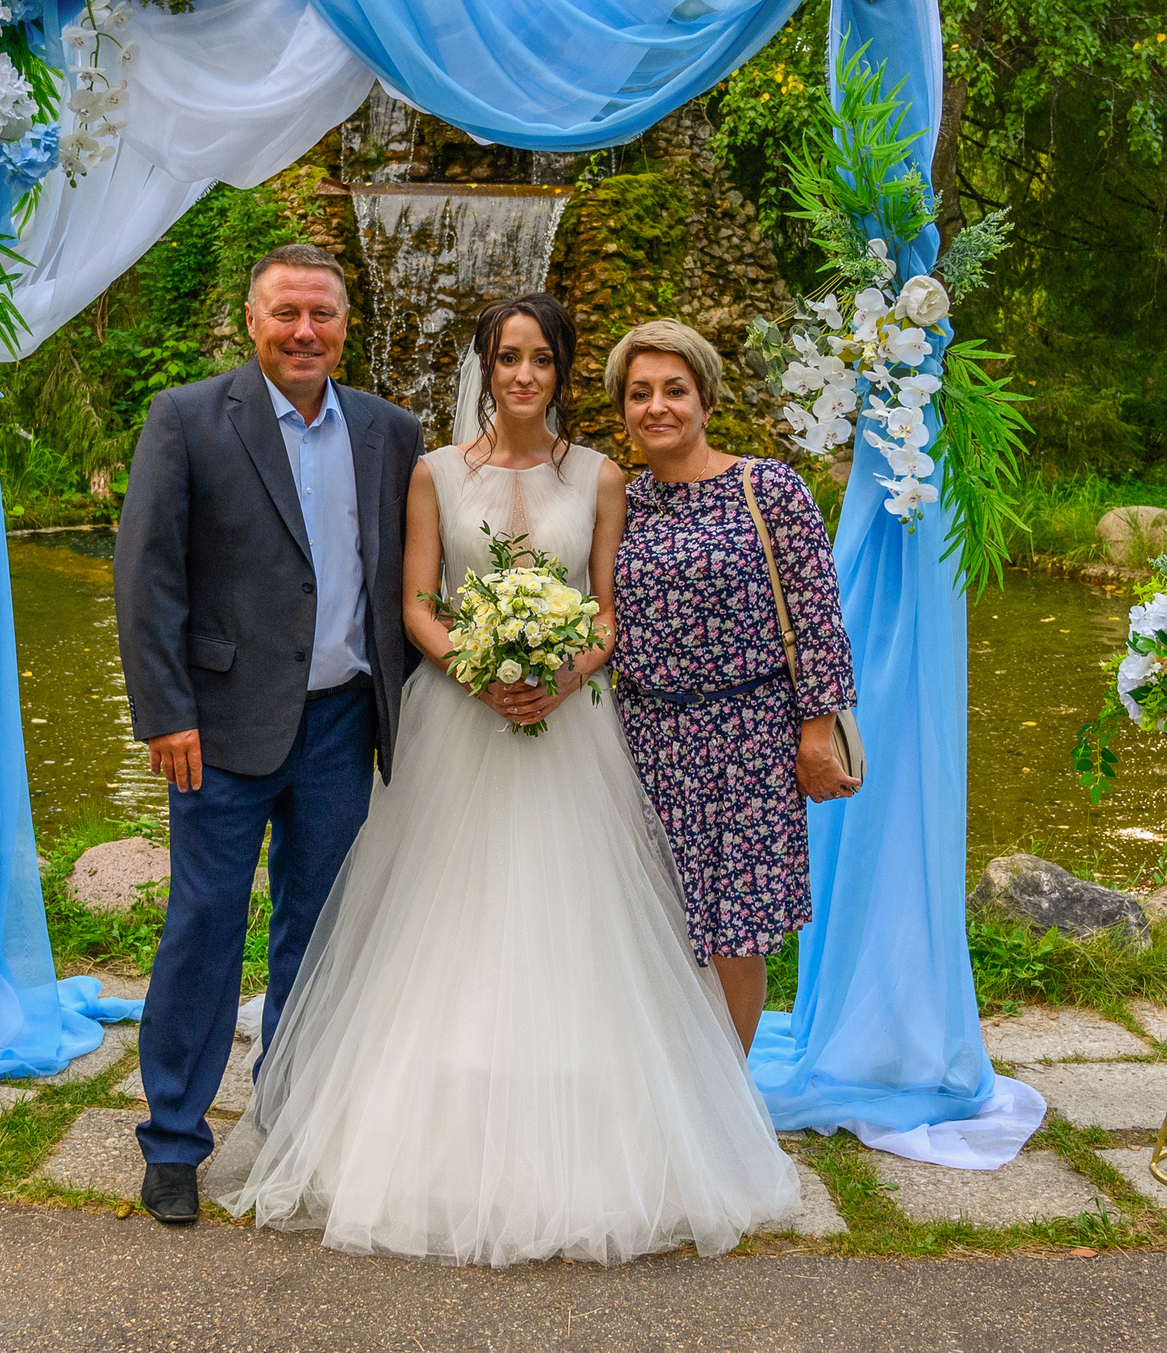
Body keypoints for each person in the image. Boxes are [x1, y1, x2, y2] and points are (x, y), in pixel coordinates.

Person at [218, 292, 799, 1265]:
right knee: (447, 923)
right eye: (506, 358)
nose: (522, 376)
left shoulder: (605, 478)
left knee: (576, 924)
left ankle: (607, 1133)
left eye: (540, 360)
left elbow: (608, 613)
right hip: (462, 723)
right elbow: (413, 604)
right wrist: (478, 669)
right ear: (483, 369)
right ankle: (422, 1135)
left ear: (561, 374)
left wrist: (563, 670)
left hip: (573, 729)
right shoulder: (433, 474)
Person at [113, 241, 424, 1228]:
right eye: (285, 313)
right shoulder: (190, 418)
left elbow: (406, 577)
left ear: (344, 325)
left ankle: (293, 1121)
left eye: (321, 315)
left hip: (342, 719)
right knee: (204, 924)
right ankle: (172, 1140)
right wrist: (164, 710)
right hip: (217, 725)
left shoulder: (389, 431)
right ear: (253, 322)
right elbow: (148, 572)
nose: (303, 331)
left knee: (318, 935)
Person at [606, 320, 858, 1056]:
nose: (657, 406)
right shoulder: (623, 500)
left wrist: (816, 734)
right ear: (622, 409)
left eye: (674, 390)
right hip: (645, 740)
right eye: (639, 392)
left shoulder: (767, 487)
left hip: (749, 740)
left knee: (736, 931)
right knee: (656, 921)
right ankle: (668, 1094)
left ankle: (727, 1100)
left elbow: (818, 618)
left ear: (706, 400)